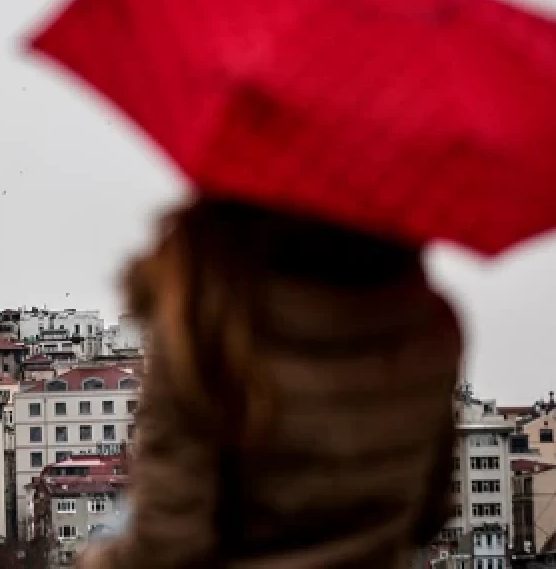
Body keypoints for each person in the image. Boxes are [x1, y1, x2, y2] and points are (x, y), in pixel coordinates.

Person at [77, 198, 463, 569]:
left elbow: (167, 543)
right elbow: (431, 513)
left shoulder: (203, 330)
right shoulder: (429, 329)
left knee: (116, 521)